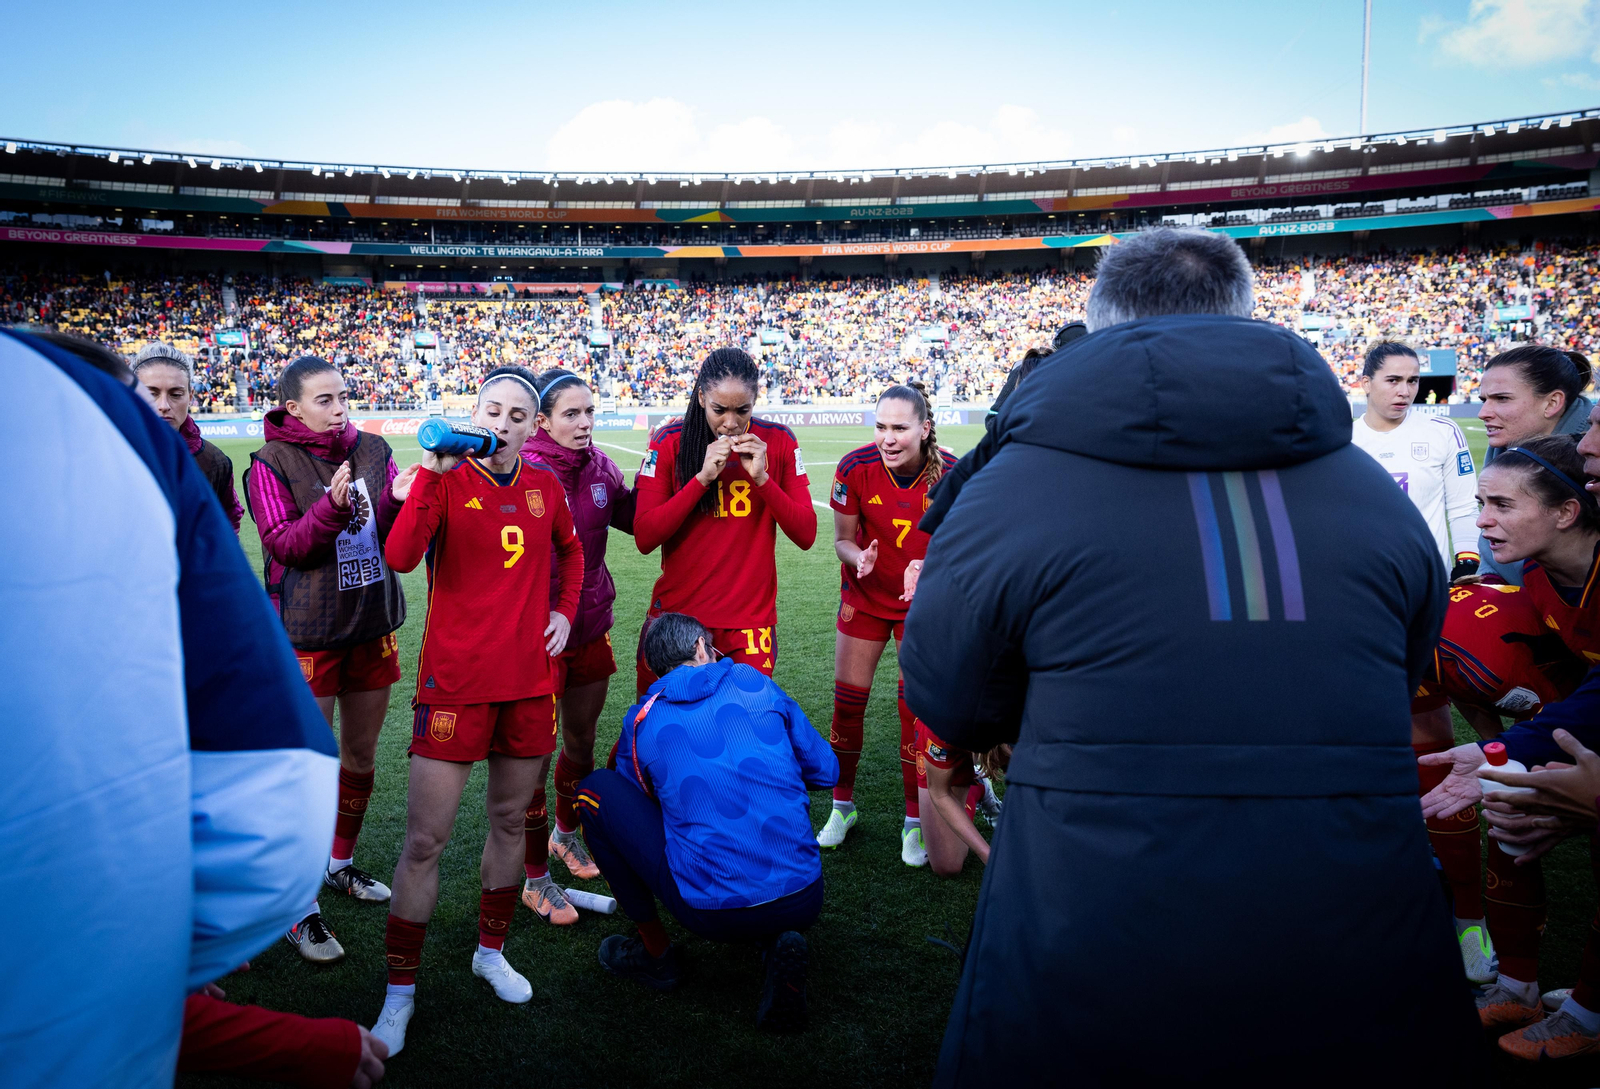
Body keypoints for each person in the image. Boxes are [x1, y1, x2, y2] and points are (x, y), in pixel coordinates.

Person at [901, 228, 1480, 1084]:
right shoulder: (1367, 490)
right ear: (1245, 317)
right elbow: (1398, 665)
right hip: (1354, 913)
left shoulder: (1015, 486)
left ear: (1101, 325)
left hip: (1091, 911)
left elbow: (950, 692)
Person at [1, 328, 339, 1087]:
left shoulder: (207, 466)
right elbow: (272, 804)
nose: (153, 408)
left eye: (168, 394)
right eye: (137, 396)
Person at [373, 372, 584, 1057]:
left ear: (533, 426)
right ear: (475, 415)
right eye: (491, 409)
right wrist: (431, 477)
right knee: (426, 840)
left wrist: (562, 610)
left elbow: (572, 552)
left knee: (505, 823)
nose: (502, 421)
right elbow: (400, 555)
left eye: (517, 413)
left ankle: (490, 952)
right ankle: (399, 991)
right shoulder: (443, 476)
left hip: (526, 683)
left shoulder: (545, 486)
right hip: (454, 685)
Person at [576, 613, 837, 1030]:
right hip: (805, 896)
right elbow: (828, 772)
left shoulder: (643, 719)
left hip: (711, 913)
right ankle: (772, 938)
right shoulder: (757, 682)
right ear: (701, 647)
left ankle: (657, 956)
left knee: (594, 789)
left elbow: (638, 807)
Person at [245, 356, 408, 964]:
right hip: (310, 631)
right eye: (325, 400)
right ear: (293, 408)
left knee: (360, 757)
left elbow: (392, 536)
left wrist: (398, 498)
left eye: (344, 396)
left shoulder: (371, 447)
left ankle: (340, 864)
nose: (340, 408)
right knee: (309, 767)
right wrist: (332, 510)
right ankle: (296, 904)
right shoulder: (269, 463)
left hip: (370, 623)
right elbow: (284, 544)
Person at [513, 365, 636, 923]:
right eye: (572, 414)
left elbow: (638, 519)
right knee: (535, 760)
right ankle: (534, 878)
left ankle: (566, 834)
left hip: (591, 625)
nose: (585, 423)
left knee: (582, 744)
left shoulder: (600, 465)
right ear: (542, 421)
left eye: (590, 412)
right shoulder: (524, 470)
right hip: (540, 634)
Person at [817, 381, 959, 866]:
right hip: (865, 599)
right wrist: (858, 559)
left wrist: (931, 567)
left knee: (913, 717)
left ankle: (914, 824)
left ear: (925, 428)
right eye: (880, 426)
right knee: (847, 706)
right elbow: (840, 539)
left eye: (899, 427)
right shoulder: (854, 468)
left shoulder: (953, 476)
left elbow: (970, 551)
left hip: (923, 610)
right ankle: (842, 807)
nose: (888, 438)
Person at [632, 348, 816, 694]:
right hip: (679, 618)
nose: (730, 422)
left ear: (755, 400)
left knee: (746, 731)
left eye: (742, 410)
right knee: (668, 734)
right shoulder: (670, 441)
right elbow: (644, 536)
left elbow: (806, 533)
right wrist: (701, 479)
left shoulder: (778, 441)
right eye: (719, 409)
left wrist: (762, 479)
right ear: (701, 395)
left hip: (750, 622)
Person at [1352, 341, 1479, 577]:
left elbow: (1463, 507)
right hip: (1365, 585)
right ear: (1366, 383)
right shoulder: (1343, 441)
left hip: (1430, 583)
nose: (1405, 391)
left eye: (1412, 380)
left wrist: (1467, 560)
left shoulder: (1443, 431)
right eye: (1393, 380)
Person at [1475, 346, 1593, 583]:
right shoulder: (1504, 449)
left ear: (1551, 403)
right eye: (1484, 399)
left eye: (1502, 398)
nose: (1483, 412)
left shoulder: (1593, 457)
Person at [132, 342, 245, 532]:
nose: (164, 405)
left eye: (176, 394)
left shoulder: (214, 460)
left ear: (190, 396)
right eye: (151, 394)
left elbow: (228, 522)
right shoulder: (108, 451)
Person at [916, 723, 1009, 877]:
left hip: (986, 731)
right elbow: (940, 793)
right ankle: (979, 786)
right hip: (948, 732)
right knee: (947, 865)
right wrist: (990, 858)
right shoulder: (942, 727)